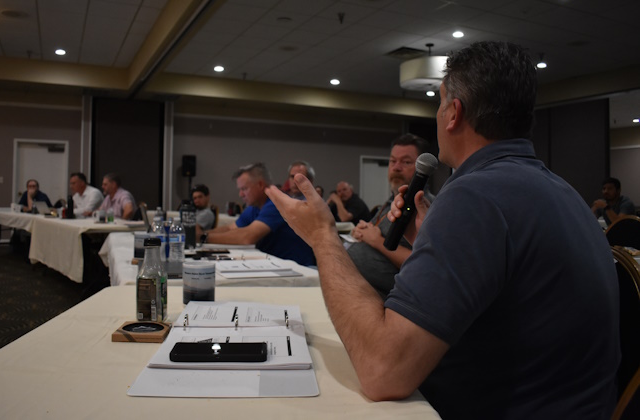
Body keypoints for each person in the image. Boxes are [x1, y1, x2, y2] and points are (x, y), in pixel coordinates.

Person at [265, 41, 619, 419]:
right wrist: (429, 241)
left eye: (439, 103)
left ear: (453, 113)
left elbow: (382, 371)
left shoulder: (475, 196)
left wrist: (322, 236)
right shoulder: (561, 191)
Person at [347, 133, 432, 298]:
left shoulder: (426, 208)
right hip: (356, 289)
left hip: (383, 301)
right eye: (393, 161)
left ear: (422, 167)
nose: (396, 167)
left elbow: (428, 264)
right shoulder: (390, 203)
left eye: (406, 162)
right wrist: (361, 233)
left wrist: (376, 241)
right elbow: (371, 233)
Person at [200, 163, 314, 266]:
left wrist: (202, 237)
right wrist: (201, 234)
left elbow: (247, 237)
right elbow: (231, 228)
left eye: (244, 189)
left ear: (260, 185)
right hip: (278, 265)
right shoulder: (255, 206)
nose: (241, 194)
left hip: (301, 269)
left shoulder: (277, 203)